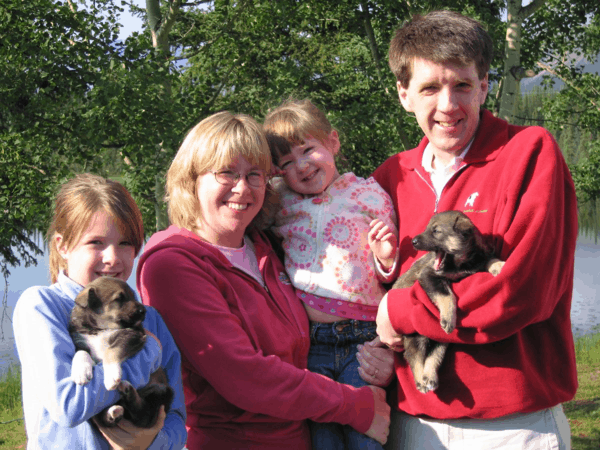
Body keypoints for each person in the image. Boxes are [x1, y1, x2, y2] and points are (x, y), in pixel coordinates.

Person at [373, 10, 577, 449]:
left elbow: (522, 291)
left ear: (485, 85)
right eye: (429, 87)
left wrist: (399, 311)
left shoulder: (529, 153)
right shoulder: (389, 177)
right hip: (412, 425)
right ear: (404, 94)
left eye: (462, 85)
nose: (448, 105)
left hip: (512, 427)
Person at [136, 111, 391, 449]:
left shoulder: (268, 247)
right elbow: (244, 376)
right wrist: (353, 405)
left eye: (254, 174)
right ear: (191, 178)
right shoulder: (172, 264)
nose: (242, 188)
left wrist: (379, 356)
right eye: (226, 172)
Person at [13, 173, 187, 449]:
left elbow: (177, 419)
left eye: (126, 243)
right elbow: (69, 406)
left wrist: (151, 443)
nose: (113, 257)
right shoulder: (42, 306)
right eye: (96, 242)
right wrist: (147, 355)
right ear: (63, 245)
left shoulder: (150, 319)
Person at [262, 98, 398, 450]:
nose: (302, 167)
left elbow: (390, 275)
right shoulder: (282, 201)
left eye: (308, 150)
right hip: (313, 343)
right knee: (323, 437)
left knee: (364, 432)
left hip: (363, 339)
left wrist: (386, 256)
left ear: (333, 142)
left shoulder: (368, 194)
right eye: (287, 162)